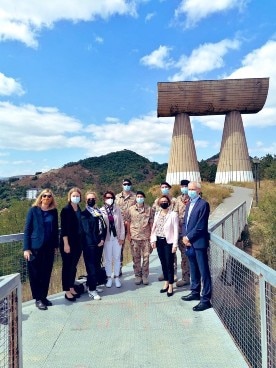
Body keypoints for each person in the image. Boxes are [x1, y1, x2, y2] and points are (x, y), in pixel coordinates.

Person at [23, 189, 59, 310]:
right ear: (41, 197)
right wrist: (26, 248)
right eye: (44, 196)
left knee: (46, 273)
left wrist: (56, 246)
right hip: (35, 248)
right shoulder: (33, 210)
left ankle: (43, 297)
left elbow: (55, 231)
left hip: (49, 248)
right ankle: (38, 299)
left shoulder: (54, 212)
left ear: (51, 198)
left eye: (49, 196)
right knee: (35, 274)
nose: (47, 198)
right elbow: (27, 230)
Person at [181, 181, 212, 312]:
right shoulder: (189, 204)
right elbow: (184, 223)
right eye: (189, 189)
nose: (190, 191)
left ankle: (205, 300)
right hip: (189, 243)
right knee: (193, 268)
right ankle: (195, 292)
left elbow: (200, 226)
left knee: (204, 271)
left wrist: (188, 237)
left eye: (193, 189)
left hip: (198, 243)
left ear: (199, 190)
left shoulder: (203, 204)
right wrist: (184, 236)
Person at [150, 195, 178, 297]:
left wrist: (175, 244)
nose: (164, 203)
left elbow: (175, 231)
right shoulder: (157, 214)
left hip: (168, 242)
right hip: (159, 241)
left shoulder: (173, 214)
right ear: (159, 203)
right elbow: (154, 228)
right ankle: (166, 281)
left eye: (165, 201)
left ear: (169, 203)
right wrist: (153, 240)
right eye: (162, 201)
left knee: (169, 263)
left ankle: (171, 285)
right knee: (162, 262)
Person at [81, 191, 107, 301]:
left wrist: (102, 239)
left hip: (99, 244)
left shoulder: (97, 211)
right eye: (89, 199)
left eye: (93, 198)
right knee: (91, 267)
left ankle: (93, 286)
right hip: (90, 245)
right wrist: (97, 241)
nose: (91, 200)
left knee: (96, 266)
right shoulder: (84, 214)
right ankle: (91, 290)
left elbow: (103, 226)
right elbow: (87, 231)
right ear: (86, 201)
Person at [60, 187, 83, 302]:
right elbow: (64, 229)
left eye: (77, 196)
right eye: (73, 196)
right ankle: (67, 291)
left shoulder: (79, 209)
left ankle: (71, 286)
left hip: (78, 243)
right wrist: (66, 244)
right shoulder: (66, 210)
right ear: (69, 197)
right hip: (68, 243)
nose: (76, 197)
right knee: (67, 267)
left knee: (73, 267)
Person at [126, 191, 154, 285]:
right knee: (136, 257)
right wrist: (128, 235)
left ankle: (145, 275)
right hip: (134, 237)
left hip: (146, 237)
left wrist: (152, 236)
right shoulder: (131, 209)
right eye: (138, 196)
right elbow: (128, 222)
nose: (139, 198)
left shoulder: (149, 209)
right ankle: (137, 275)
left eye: (141, 196)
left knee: (146, 257)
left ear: (144, 198)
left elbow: (151, 223)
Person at [152, 181, 177, 282]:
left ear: (169, 188)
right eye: (162, 187)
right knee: (164, 258)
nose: (164, 188)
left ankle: (173, 274)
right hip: (160, 234)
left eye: (166, 187)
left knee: (171, 256)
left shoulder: (175, 200)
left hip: (171, 231)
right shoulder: (157, 201)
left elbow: (176, 214)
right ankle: (165, 274)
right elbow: (155, 215)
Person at [101, 190, 125, 288]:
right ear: (104, 199)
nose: (109, 199)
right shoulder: (101, 210)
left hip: (117, 237)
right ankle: (109, 278)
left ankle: (116, 277)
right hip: (106, 238)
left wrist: (122, 237)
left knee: (117, 258)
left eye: (111, 197)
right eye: (107, 197)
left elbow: (122, 224)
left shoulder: (117, 209)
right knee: (108, 259)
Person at [115, 178, 136, 276]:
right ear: (122, 185)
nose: (126, 185)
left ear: (131, 185)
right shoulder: (117, 197)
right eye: (125, 184)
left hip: (132, 225)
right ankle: (118, 268)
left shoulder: (135, 197)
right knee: (119, 247)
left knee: (134, 247)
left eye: (128, 184)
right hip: (120, 226)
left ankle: (136, 267)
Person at [175, 179, 191, 287]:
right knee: (184, 256)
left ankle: (196, 279)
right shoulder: (177, 200)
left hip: (191, 234)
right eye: (183, 186)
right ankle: (185, 278)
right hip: (181, 233)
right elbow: (175, 215)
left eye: (186, 186)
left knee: (193, 257)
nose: (184, 187)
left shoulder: (194, 199)